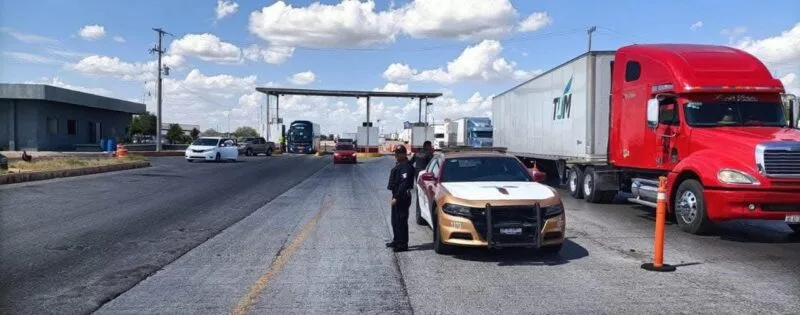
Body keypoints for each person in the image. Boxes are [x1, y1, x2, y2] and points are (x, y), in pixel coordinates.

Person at [386, 145, 415, 252]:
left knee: (401, 221)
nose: (396, 155)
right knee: (395, 220)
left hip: (402, 197)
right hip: (397, 195)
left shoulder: (406, 166)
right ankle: (397, 240)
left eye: (398, 154)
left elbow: (404, 184)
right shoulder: (400, 164)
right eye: (395, 153)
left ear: (403, 154)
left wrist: (396, 197)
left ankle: (402, 244)